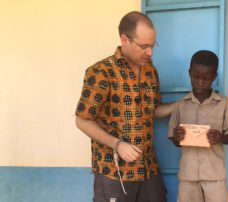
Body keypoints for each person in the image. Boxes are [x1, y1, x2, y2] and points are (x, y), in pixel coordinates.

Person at [75, 11, 174, 202]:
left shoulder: (151, 71)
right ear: (124, 39)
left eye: (153, 46)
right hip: (114, 171)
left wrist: (178, 105)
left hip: (148, 168)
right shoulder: (102, 72)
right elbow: (82, 120)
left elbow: (152, 111)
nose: (150, 52)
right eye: (144, 46)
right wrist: (118, 145)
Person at [168, 50, 228, 202]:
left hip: (214, 175)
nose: (200, 83)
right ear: (190, 73)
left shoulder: (224, 104)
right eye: (196, 77)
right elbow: (175, 140)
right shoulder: (180, 105)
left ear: (214, 77)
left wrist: (220, 138)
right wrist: (177, 137)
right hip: (188, 175)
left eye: (206, 78)